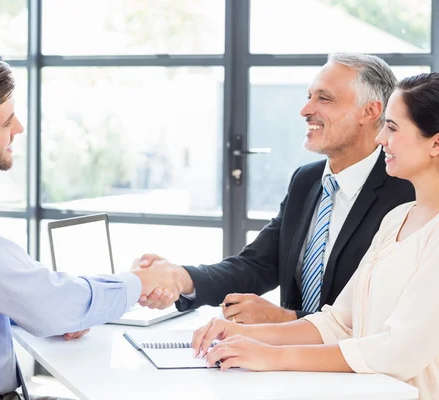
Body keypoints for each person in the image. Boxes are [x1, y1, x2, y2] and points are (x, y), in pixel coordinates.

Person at [0, 51, 181, 400]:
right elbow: (47, 300)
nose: (19, 128)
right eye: (6, 122)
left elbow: (5, 295)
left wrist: (50, 313)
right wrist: (141, 282)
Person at [192, 72, 439, 399]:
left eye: (392, 128)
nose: (380, 140)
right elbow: (339, 323)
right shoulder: (398, 218)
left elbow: (400, 350)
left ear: (437, 143)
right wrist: (246, 335)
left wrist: (272, 355)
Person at [137, 53, 415, 323]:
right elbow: (257, 265)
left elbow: (388, 315)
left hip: (354, 365)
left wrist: (285, 319)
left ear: (370, 111)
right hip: (286, 360)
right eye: (309, 96)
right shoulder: (306, 181)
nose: (305, 110)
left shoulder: (407, 193)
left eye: (324, 98)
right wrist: (180, 278)